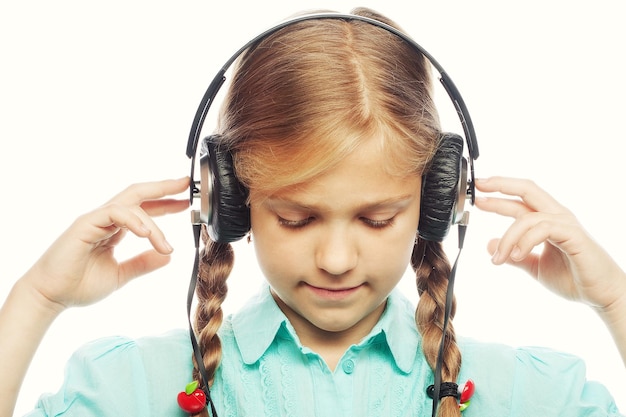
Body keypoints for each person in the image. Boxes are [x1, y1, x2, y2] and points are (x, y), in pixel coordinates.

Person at [1, 6, 624, 417]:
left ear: (440, 201)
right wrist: (37, 299)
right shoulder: (129, 386)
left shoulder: (523, 392)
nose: (334, 259)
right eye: (296, 219)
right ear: (230, 202)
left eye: (377, 219)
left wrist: (615, 302)